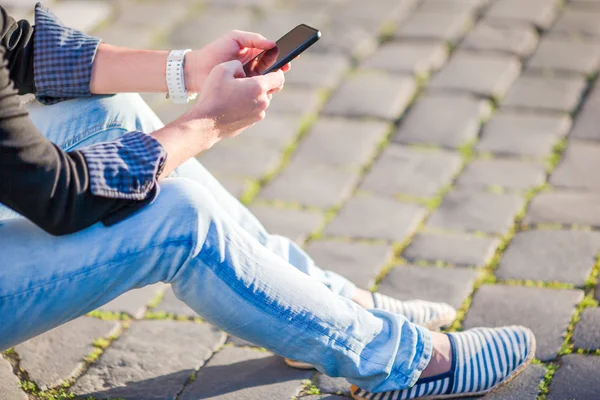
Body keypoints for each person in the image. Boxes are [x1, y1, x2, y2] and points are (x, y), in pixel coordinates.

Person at [0, 4, 536, 399]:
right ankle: (399, 363)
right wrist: (206, 124)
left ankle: (320, 301)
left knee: (107, 113)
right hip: (42, 195)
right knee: (180, 219)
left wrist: (186, 68)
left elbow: (16, 46)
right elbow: (57, 194)